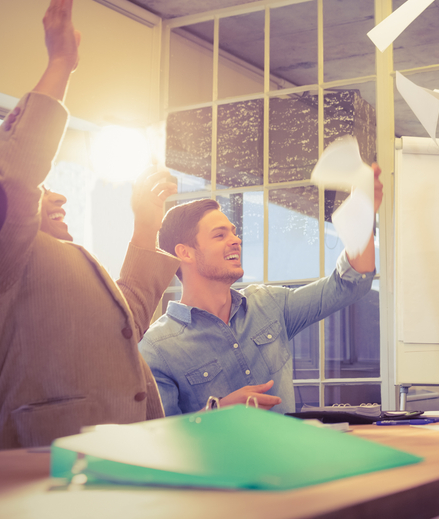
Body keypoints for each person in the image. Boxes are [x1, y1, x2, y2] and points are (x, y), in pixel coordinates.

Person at [0, 0, 180, 453]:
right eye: (40, 195)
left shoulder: (58, 265)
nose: (56, 201)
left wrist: (145, 224)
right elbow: (11, 178)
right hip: (24, 481)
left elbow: (126, 318)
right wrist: (60, 66)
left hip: (106, 471)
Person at [138, 171, 381, 415]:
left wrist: (362, 217)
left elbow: (349, 285)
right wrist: (219, 410)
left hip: (287, 453)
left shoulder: (270, 304)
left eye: (233, 232)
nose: (236, 240)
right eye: (220, 235)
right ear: (186, 253)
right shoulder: (155, 350)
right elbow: (162, 438)